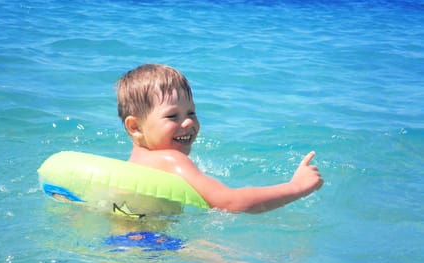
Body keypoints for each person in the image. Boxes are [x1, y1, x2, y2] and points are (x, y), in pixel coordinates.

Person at [116, 63, 323, 213]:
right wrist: (297, 186)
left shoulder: (134, 164)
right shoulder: (170, 160)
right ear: (135, 127)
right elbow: (232, 202)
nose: (188, 122)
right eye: (172, 116)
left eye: (191, 113)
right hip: (153, 247)